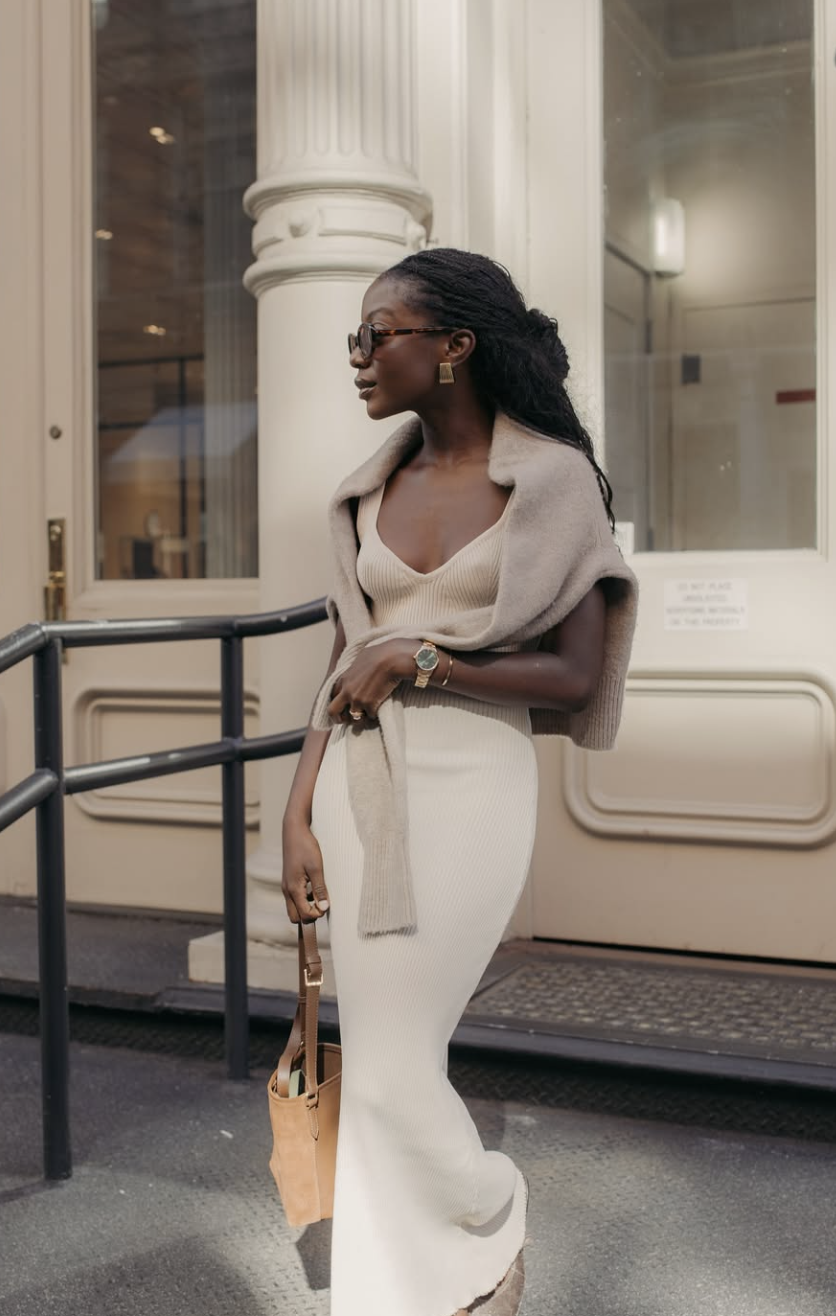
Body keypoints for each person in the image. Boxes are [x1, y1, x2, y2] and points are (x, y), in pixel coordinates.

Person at [281, 248, 638, 1316]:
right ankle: (407, 1289)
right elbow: (342, 659)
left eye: (377, 332)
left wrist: (427, 658)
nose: (359, 355)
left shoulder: (551, 480)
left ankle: (486, 1210)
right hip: (357, 783)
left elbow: (573, 671)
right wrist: (296, 811)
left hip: (471, 782)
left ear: (453, 346)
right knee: (389, 1053)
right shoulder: (367, 488)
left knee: (393, 1065)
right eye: (354, 335)